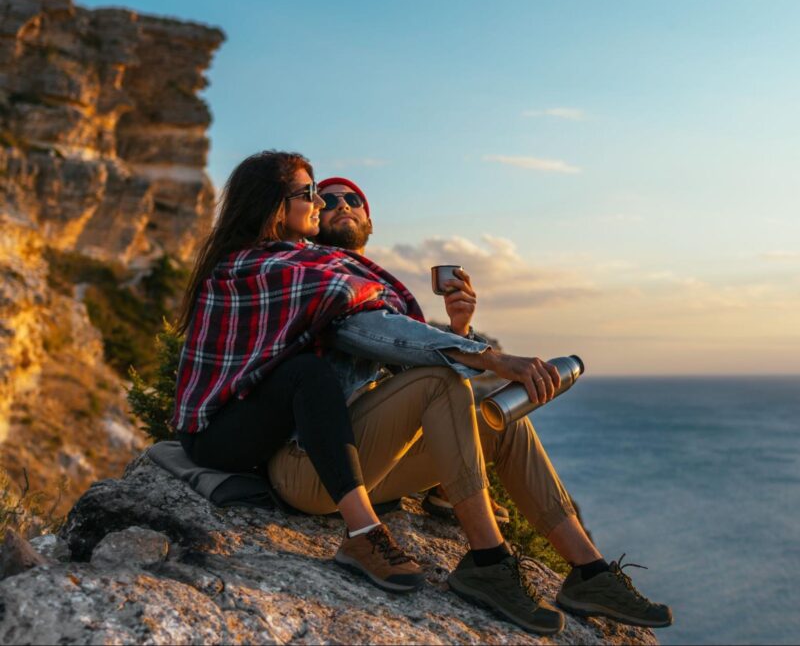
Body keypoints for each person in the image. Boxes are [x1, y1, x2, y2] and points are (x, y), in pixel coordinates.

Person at [266, 176, 673, 635]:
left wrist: (459, 328)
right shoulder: (314, 272)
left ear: (369, 218)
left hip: (367, 470)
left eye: (353, 199)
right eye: (327, 198)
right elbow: (373, 336)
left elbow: (409, 387)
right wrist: (494, 359)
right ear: (313, 216)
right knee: (442, 382)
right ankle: (487, 560)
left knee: (502, 423)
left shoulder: (387, 290)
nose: (341, 204)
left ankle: (589, 572)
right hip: (308, 468)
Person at [172, 151, 429, 594]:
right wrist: (366, 289)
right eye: (309, 194)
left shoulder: (298, 256)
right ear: (275, 204)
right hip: (215, 435)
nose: (319, 203)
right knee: (306, 371)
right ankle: (363, 535)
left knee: (306, 369)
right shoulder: (246, 264)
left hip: (259, 414)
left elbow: (347, 291)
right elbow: (339, 291)